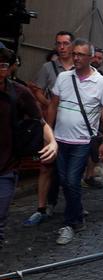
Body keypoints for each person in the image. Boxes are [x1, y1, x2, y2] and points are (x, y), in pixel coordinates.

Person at [47, 38, 103, 245]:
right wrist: (48, 133)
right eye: (74, 53)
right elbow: (53, 105)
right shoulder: (64, 77)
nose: (75, 57)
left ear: (90, 58)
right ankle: (76, 213)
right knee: (63, 180)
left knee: (70, 180)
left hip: (82, 141)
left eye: (80, 55)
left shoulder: (102, 82)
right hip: (59, 139)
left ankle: (70, 222)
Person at [0, 48, 57, 246]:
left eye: (3, 65)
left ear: (9, 68)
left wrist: (52, 142)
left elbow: (39, 121)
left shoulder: (19, 92)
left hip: (6, 167)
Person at [24, 31, 73, 227]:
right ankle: (41, 208)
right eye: (59, 43)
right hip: (52, 125)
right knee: (46, 166)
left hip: (73, 126)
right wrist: (50, 104)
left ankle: (73, 205)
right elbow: (35, 88)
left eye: (66, 43)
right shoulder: (48, 67)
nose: (62, 47)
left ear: (72, 45)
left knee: (71, 170)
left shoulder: (80, 68)